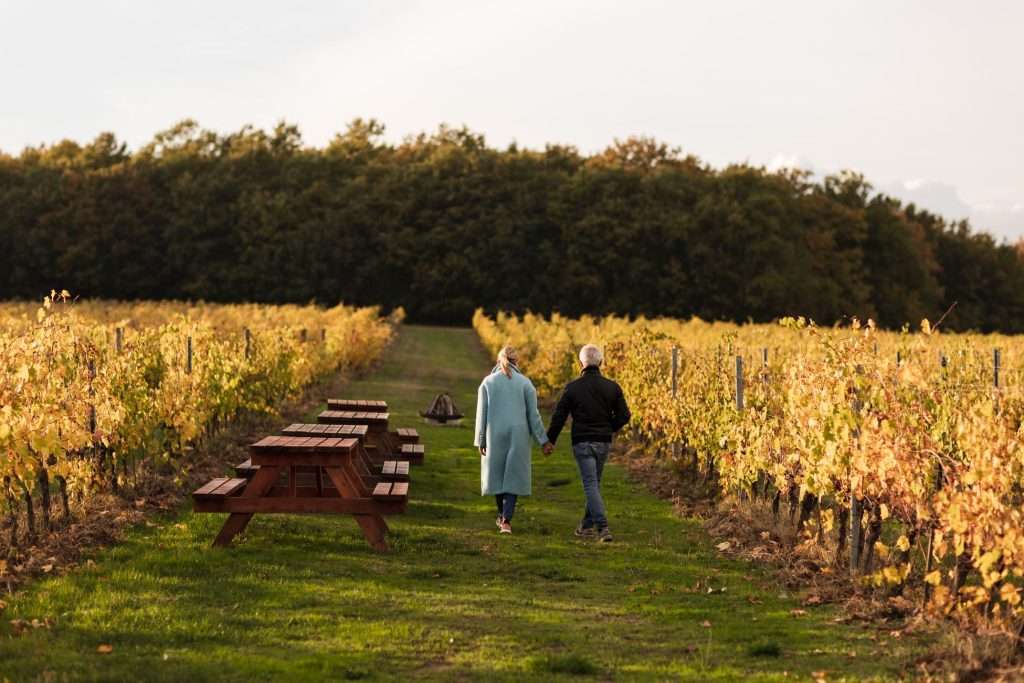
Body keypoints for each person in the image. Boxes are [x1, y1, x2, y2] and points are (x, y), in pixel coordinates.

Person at [546, 344, 630, 542]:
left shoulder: (573, 388)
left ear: (580, 363)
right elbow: (625, 415)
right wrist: (610, 427)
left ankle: (602, 528)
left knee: (591, 484)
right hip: (603, 442)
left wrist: (550, 440)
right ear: (601, 362)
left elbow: (559, 416)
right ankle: (585, 526)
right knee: (594, 484)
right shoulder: (612, 387)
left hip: (582, 441)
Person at [474, 346, 551, 534]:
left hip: (494, 434)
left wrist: (481, 440)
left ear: (498, 360)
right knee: (513, 476)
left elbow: (481, 414)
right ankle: (506, 520)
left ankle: (502, 517)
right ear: (517, 362)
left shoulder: (487, 383)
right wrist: (544, 440)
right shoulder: (525, 383)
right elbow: (534, 416)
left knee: (497, 475)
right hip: (519, 435)